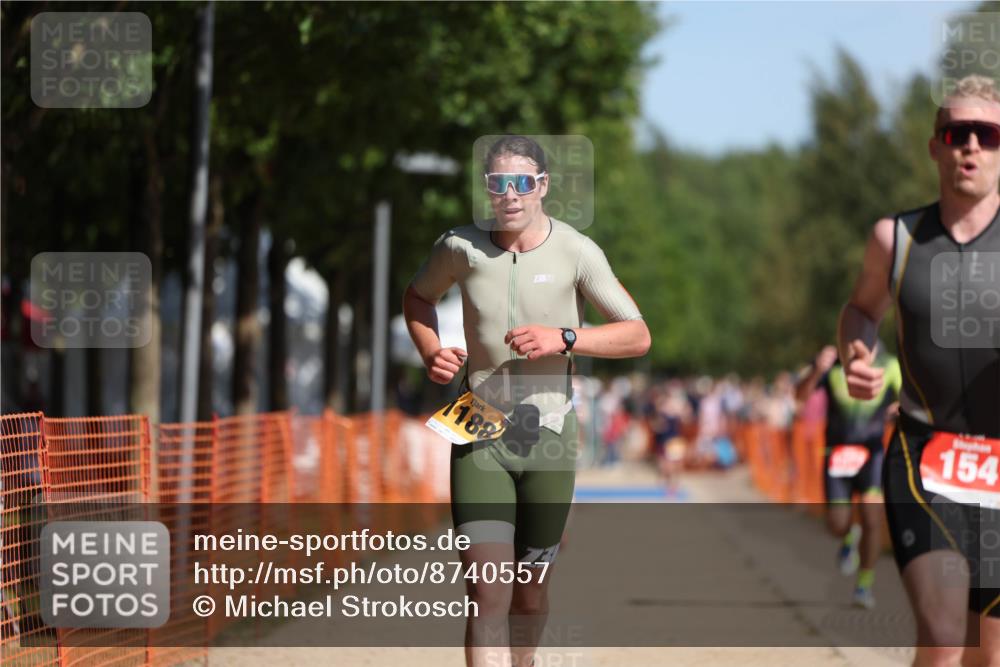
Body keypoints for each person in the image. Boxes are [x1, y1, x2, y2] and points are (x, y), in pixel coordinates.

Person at [403, 135, 650, 667]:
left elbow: (636, 334)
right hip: (479, 427)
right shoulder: (459, 247)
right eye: (498, 183)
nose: (509, 195)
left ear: (542, 186)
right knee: (488, 591)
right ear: (488, 189)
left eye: (521, 183)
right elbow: (418, 296)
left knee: (529, 591)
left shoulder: (577, 251)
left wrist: (565, 337)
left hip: (549, 435)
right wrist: (430, 350)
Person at [838, 75, 1000, 664]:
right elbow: (861, 310)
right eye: (958, 133)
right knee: (942, 632)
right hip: (923, 457)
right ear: (935, 145)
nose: (972, 147)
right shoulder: (897, 238)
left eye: (988, 134)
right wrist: (858, 352)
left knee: (990, 651)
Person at [795, 343, 901, 609]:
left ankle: (864, 585)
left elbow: (909, 399)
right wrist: (815, 370)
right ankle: (848, 534)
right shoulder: (832, 365)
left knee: (872, 519)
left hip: (872, 453)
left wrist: (900, 409)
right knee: (836, 525)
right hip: (837, 454)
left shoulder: (889, 365)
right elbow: (800, 396)